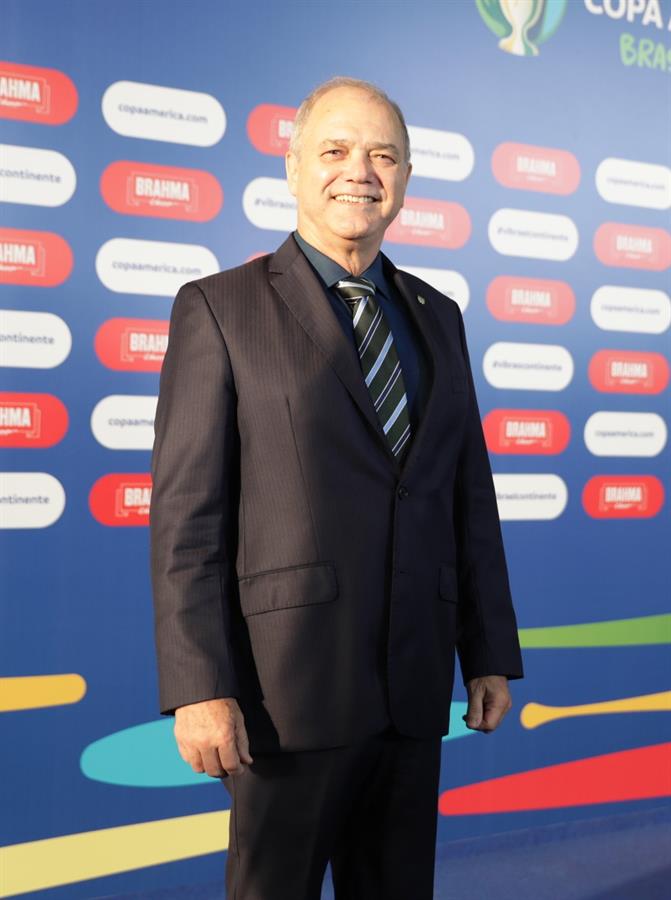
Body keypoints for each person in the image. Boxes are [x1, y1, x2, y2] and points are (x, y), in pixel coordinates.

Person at [149, 76, 524, 900]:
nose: (360, 171)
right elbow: (187, 520)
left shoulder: (438, 314)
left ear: (405, 179)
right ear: (293, 169)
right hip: (284, 698)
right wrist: (200, 687)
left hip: (412, 687)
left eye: (382, 155)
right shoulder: (219, 307)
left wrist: (487, 651)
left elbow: (465, 495)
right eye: (336, 150)